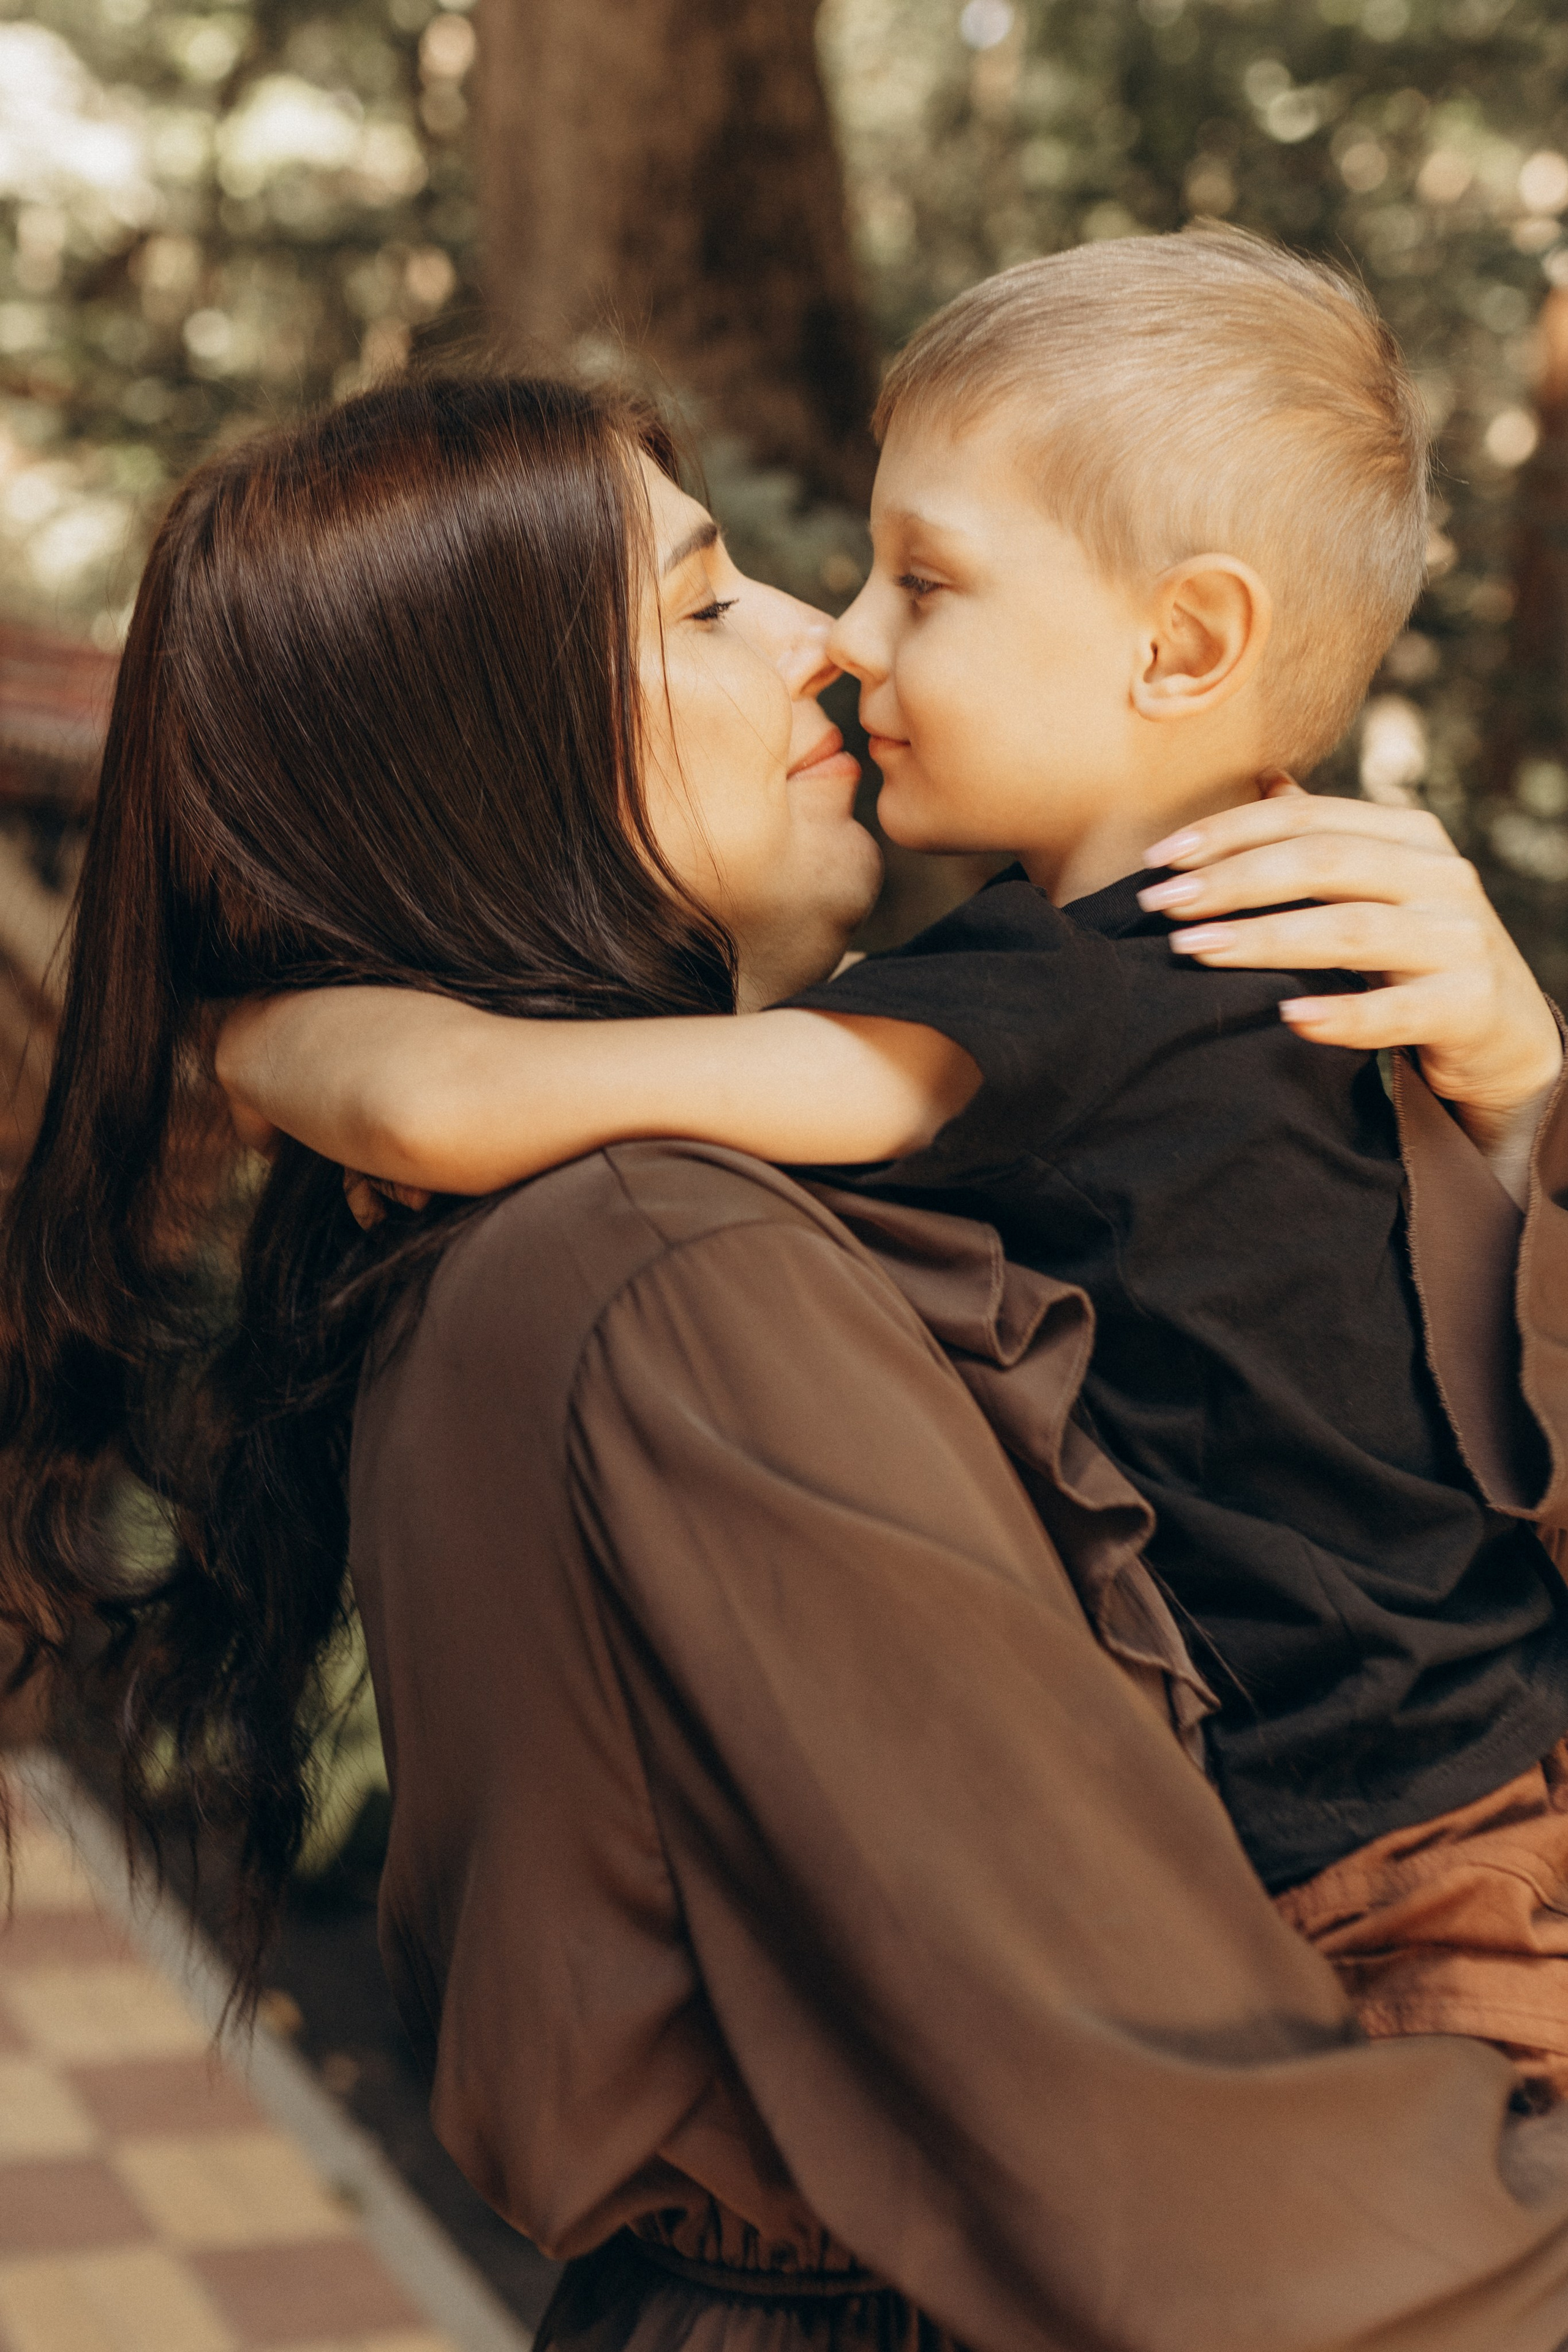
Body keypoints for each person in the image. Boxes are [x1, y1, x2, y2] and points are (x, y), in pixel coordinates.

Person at [14, 370, 1568, 2351]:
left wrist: (1511, 1120)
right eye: (704, 604)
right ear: (484, 763)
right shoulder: (666, 1269)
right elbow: (1170, 2157)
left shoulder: (767, 1196)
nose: (833, 639)